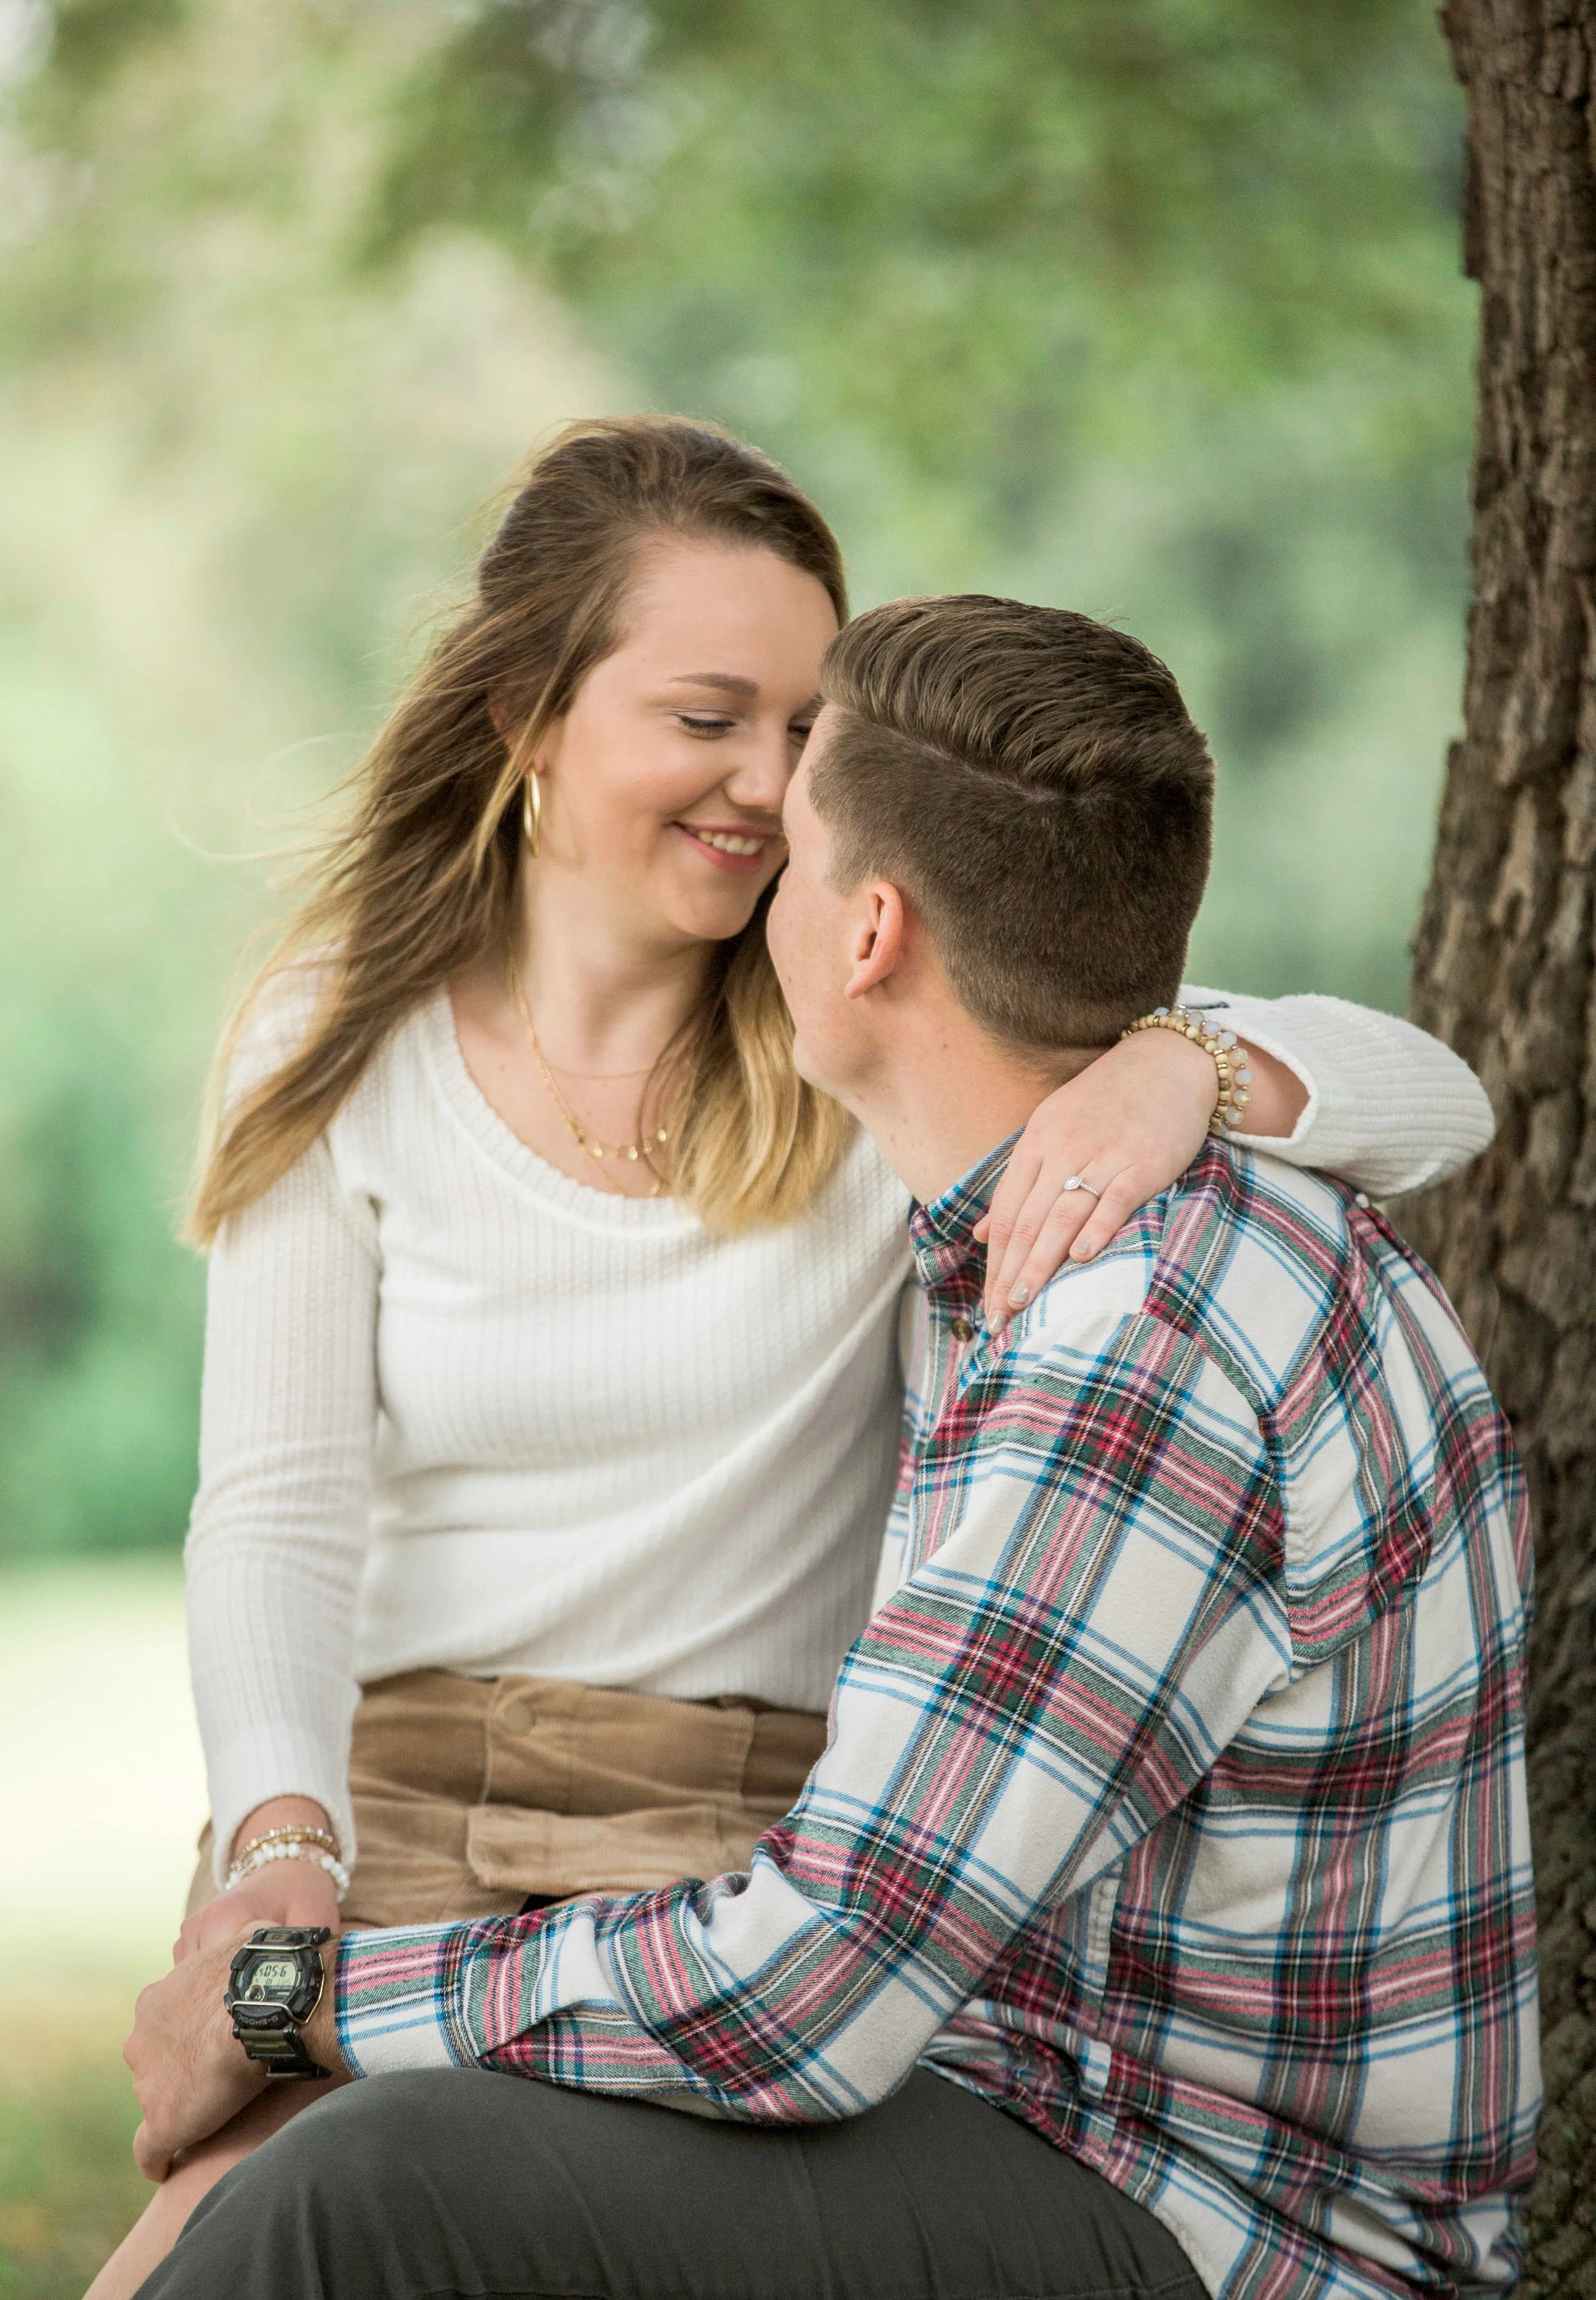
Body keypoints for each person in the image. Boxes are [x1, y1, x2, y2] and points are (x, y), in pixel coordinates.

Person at [123, 593, 1535, 2300]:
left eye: (790, 834)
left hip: (1213, 2228)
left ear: (866, 932)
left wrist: (297, 1998)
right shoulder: (1063, 1177)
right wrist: (1190, 1057)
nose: (746, 869)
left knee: (366, 2192)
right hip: (1045, 2121)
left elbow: (809, 1996)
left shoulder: (1129, 1339)